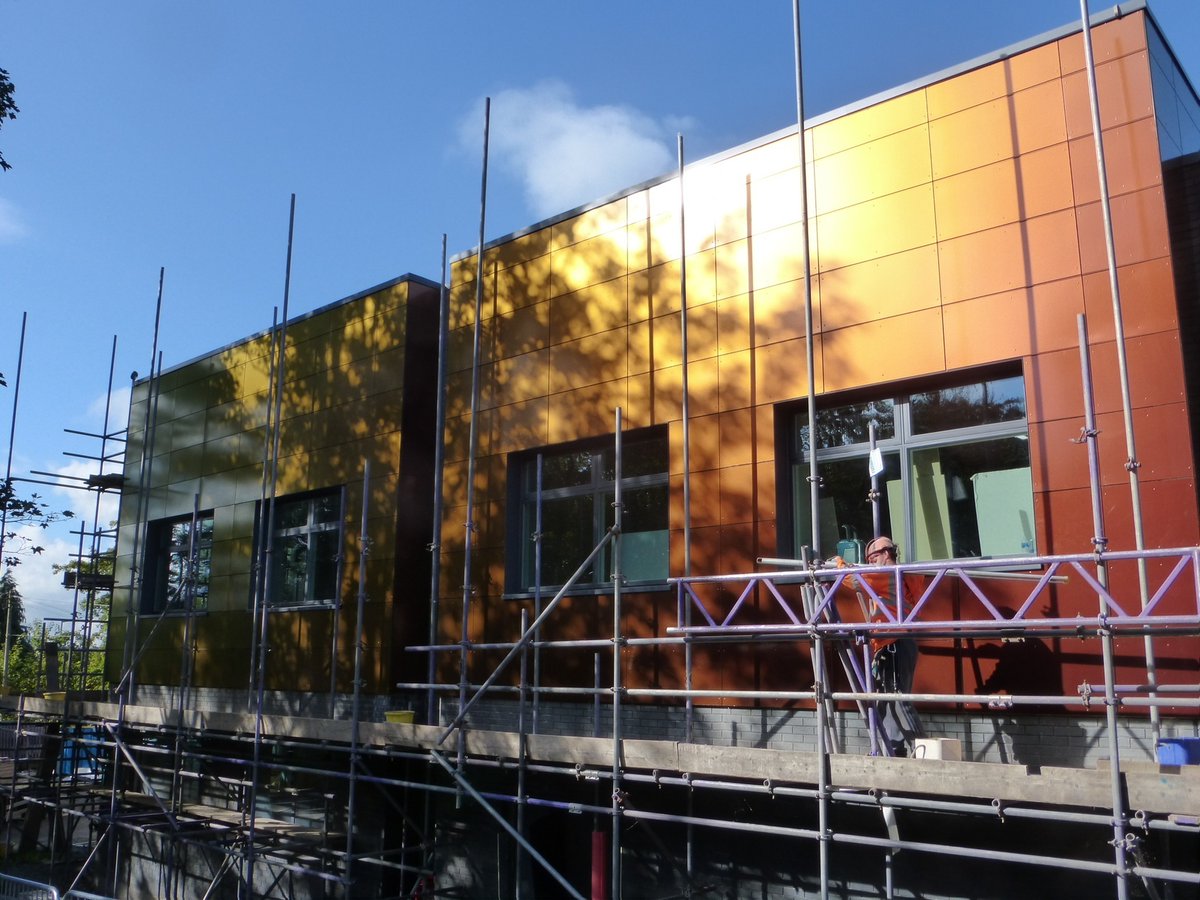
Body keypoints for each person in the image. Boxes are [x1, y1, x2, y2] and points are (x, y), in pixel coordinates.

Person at [838, 535, 925, 757]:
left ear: (887, 553)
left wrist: (839, 564)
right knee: (887, 702)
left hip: (894, 643)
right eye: (868, 558)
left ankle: (924, 751)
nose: (870, 561)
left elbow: (854, 581)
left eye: (873, 556)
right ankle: (893, 750)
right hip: (897, 643)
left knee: (897, 699)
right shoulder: (902, 576)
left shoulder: (886, 573)